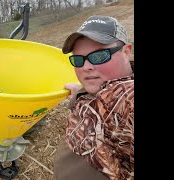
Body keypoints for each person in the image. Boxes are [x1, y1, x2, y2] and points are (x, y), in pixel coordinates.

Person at [54, 15, 134, 180]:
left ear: (126, 52)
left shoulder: (128, 99)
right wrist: (80, 93)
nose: (86, 67)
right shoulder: (98, 89)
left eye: (99, 56)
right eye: (78, 59)